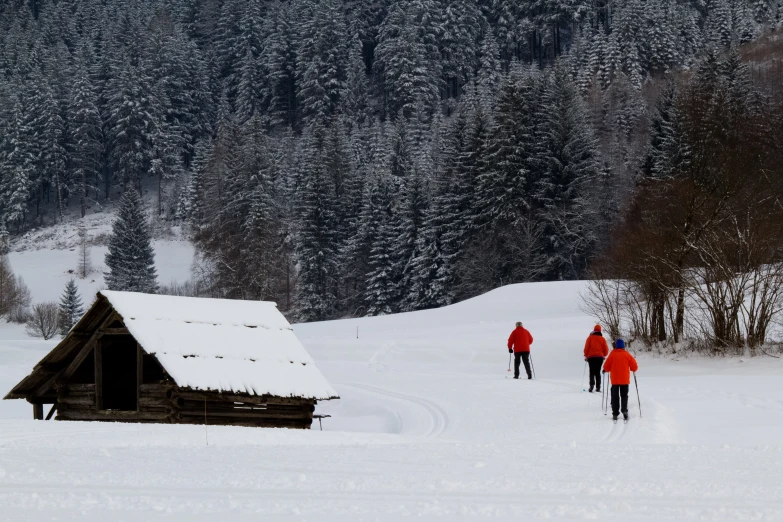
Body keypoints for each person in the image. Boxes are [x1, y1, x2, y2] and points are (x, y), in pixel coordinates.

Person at [602, 338, 638, 421]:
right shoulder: (626, 354)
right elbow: (634, 366)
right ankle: (624, 411)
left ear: (616, 346)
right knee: (624, 396)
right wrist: (633, 369)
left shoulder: (612, 354)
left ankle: (615, 413)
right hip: (625, 380)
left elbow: (606, 367)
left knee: (615, 396)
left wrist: (606, 370)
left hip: (614, 381)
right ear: (623, 346)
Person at [583, 325, 609, 393]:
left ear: (594, 330)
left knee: (591, 371)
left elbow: (586, 347)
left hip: (591, 357)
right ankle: (598, 387)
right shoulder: (602, 339)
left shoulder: (590, 338)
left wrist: (586, 355)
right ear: (600, 331)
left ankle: (591, 386)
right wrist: (604, 354)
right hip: (600, 358)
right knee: (598, 372)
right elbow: (606, 349)